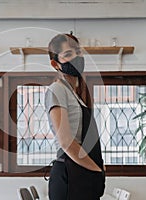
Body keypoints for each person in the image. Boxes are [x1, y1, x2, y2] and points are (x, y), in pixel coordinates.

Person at [44, 33, 105, 200]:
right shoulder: (57, 90)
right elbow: (66, 142)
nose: (76, 57)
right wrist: (96, 170)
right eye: (68, 54)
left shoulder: (75, 94)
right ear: (55, 64)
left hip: (81, 174)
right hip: (70, 176)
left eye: (78, 52)